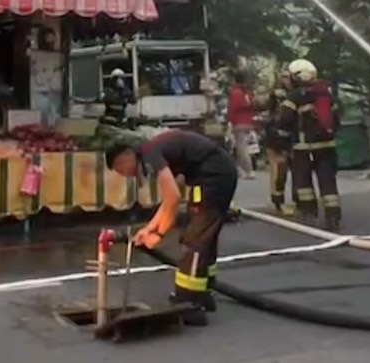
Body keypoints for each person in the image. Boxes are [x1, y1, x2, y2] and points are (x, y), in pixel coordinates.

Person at [106, 129, 239, 324]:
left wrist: (157, 233)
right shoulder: (153, 151)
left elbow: (173, 198)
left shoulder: (150, 154)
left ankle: (189, 300)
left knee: (195, 239)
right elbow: (169, 201)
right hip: (214, 175)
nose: (126, 175)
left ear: (127, 155)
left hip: (213, 177)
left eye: (121, 168)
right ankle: (203, 294)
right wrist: (150, 229)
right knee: (204, 235)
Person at [272, 58, 343, 230]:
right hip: (327, 146)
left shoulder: (295, 96)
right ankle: (333, 215)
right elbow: (338, 117)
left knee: (303, 182)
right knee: (328, 182)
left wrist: (281, 143)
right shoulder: (326, 93)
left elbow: (284, 121)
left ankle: (308, 212)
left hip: (303, 148)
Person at [262, 72, 297, 216]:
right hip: (276, 136)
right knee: (278, 170)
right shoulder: (280, 94)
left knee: (294, 169)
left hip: (287, 135)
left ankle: (294, 200)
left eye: (288, 77)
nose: (286, 80)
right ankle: (278, 201)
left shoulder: (293, 93)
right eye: (284, 77)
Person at [227, 76, 258, 178]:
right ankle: (245, 170)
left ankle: (248, 170)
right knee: (244, 147)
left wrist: (229, 120)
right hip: (248, 122)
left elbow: (232, 108)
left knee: (241, 148)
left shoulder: (235, 93)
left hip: (238, 123)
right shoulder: (246, 93)